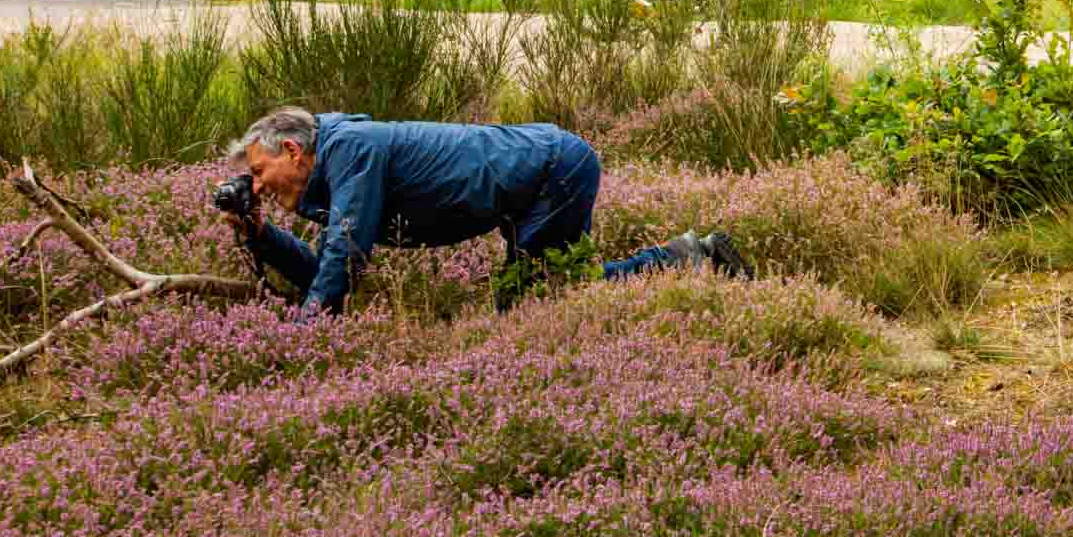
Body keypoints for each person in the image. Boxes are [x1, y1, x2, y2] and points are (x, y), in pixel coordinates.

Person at [217, 106, 749, 315]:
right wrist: (259, 234)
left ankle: (688, 259)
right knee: (551, 291)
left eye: (259, 174)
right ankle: (688, 256)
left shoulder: (351, 150)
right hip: (540, 168)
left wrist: (305, 339)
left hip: (552, 167)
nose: (257, 187)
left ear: (292, 151)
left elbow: (344, 261)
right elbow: (324, 267)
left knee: (532, 302)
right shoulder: (337, 163)